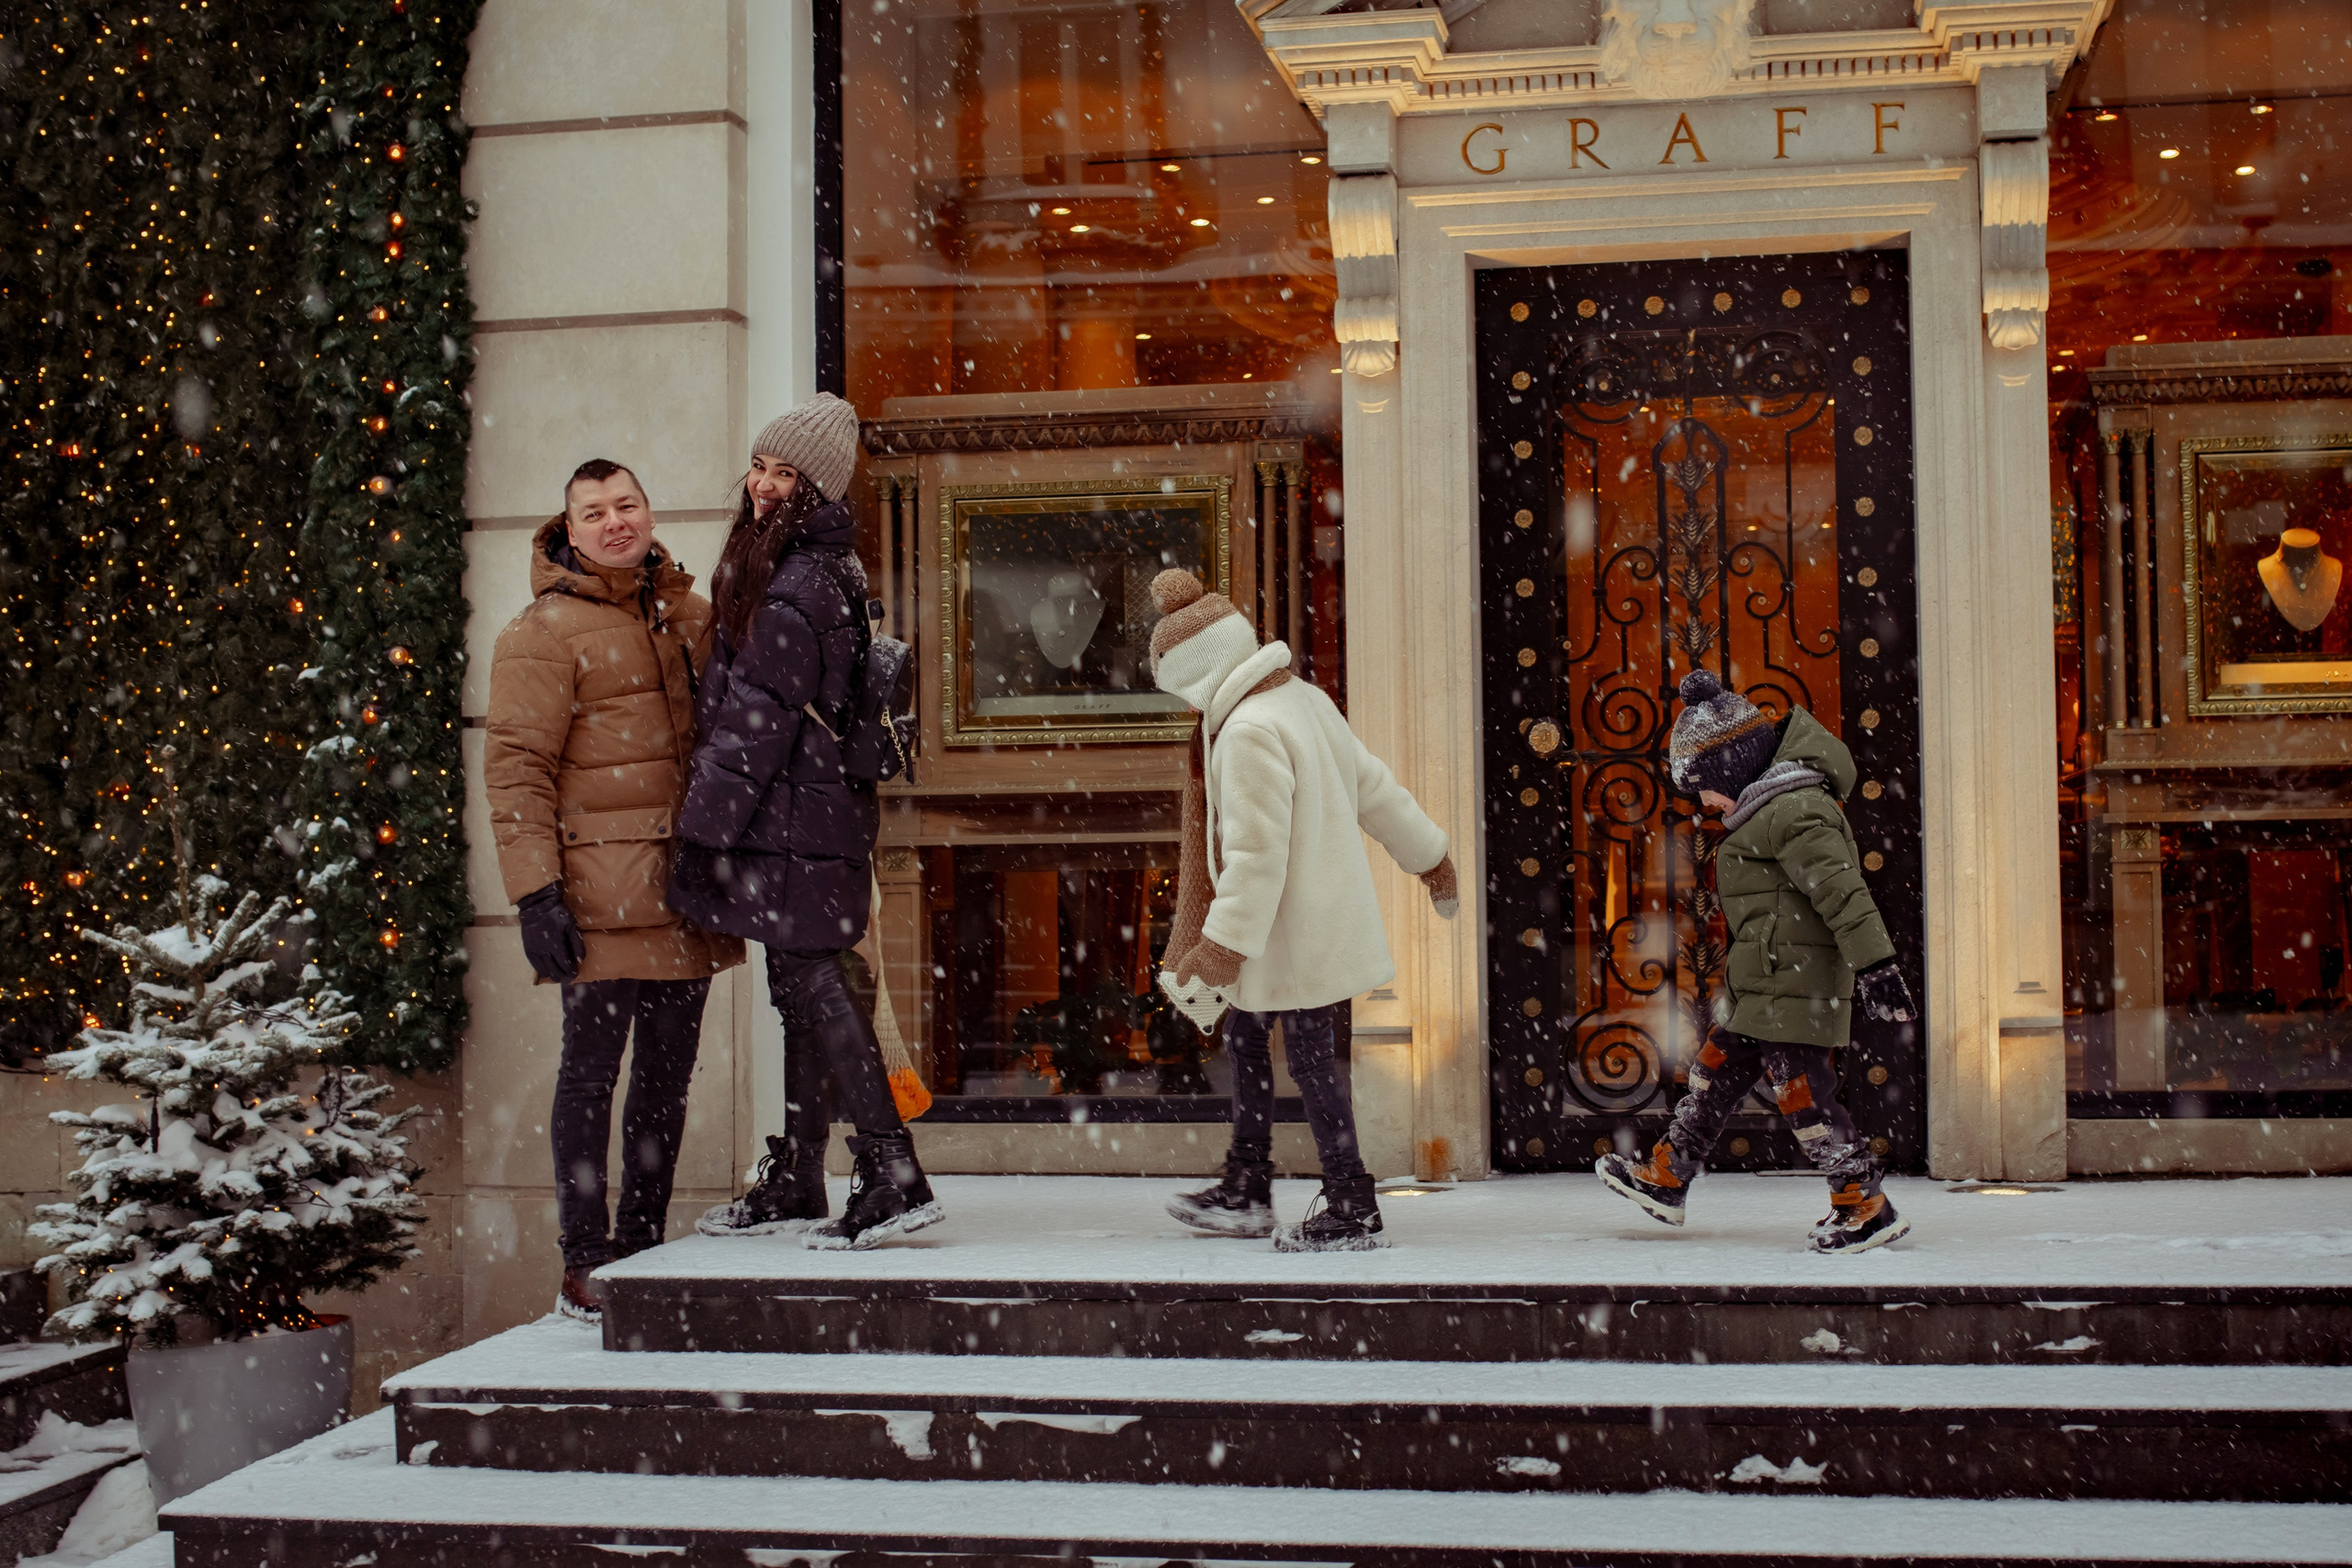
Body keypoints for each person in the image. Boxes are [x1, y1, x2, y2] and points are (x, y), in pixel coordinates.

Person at [670, 393, 942, 1251]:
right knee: (800, 987)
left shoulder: (791, 586)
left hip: (795, 816)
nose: (762, 484)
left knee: (817, 985)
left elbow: (755, 724)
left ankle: (891, 1171)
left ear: (815, 489)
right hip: (815, 812)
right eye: (760, 465)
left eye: (784, 474)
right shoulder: (823, 565)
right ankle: (800, 1174)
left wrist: (701, 832)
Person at [485, 459, 745, 1323]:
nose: (614, 521)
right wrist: (536, 894)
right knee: (591, 1075)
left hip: (683, 888)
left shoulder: (688, 614)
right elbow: (517, 769)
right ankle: (585, 1257)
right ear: (570, 529)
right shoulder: (541, 632)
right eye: (594, 512)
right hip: (596, 896)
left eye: (626, 504)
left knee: (666, 1080)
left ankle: (640, 1243)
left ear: (649, 512)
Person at [1149, 570, 1459, 1252]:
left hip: (1289, 933)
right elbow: (1374, 786)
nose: (1185, 705)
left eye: (1181, 689)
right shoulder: (1302, 700)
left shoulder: (1247, 731)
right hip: (1304, 926)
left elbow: (1255, 858)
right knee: (1249, 1040)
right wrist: (1429, 854)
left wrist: (1220, 946)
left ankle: (1351, 1202)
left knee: (1310, 1058)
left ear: (1199, 673)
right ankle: (1247, 1184)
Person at [1596, 669, 1919, 1256]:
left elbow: (1842, 891)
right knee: (1714, 1072)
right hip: (1763, 985)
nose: (1703, 803)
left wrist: (1876, 965)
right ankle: (1669, 1175)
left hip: (1794, 986)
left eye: (1704, 789)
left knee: (1804, 1095)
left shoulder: (1794, 809)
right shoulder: (1766, 810)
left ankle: (1864, 1202)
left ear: (1732, 769)